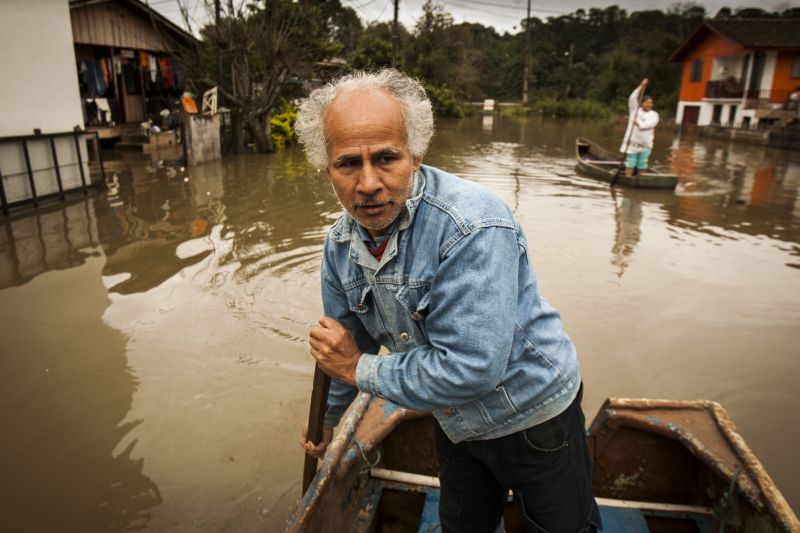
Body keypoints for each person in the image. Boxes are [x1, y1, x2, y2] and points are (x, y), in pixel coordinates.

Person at [296, 69, 600, 533]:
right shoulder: (339, 245)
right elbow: (343, 347)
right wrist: (328, 420)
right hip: (453, 417)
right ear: (327, 169)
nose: (369, 182)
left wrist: (359, 369)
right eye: (348, 164)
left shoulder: (471, 225)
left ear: (416, 156)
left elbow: (472, 368)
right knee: (462, 524)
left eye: (386, 158)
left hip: (532, 411)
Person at [620, 78, 659, 177]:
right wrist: (642, 85)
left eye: (650, 103)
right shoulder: (635, 110)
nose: (648, 104)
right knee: (631, 162)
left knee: (642, 163)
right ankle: (628, 178)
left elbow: (651, 124)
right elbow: (632, 98)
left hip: (645, 144)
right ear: (642, 103)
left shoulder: (654, 115)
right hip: (633, 143)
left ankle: (641, 179)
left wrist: (639, 124)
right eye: (646, 102)